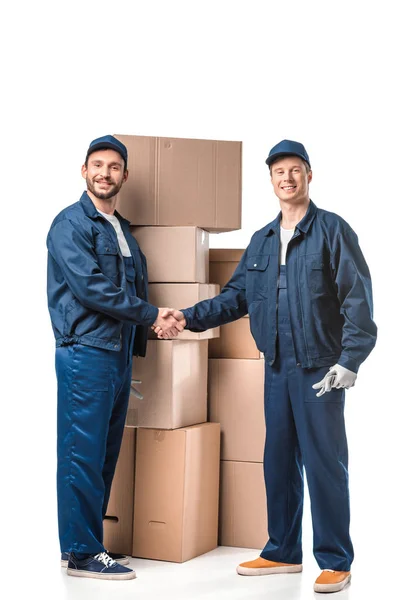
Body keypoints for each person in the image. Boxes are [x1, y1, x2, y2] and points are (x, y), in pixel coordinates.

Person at [156, 140, 377, 594]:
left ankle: (335, 559)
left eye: (295, 170)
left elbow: (358, 300)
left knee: (324, 465)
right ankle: (282, 551)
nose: (287, 178)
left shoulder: (333, 231)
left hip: (319, 369)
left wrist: (350, 360)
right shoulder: (261, 240)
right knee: (277, 462)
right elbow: (237, 298)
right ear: (271, 181)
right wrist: (187, 317)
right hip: (275, 366)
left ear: (309, 176)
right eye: (279, 172)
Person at [46, 135, 183, 580]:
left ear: (125, 175)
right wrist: (151, 315)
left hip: (119, 353)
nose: (105, 173)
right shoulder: (70, 224)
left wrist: (151, 325)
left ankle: (85, 545)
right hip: (86, 351)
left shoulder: (121, 229)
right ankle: (83, 553)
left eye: (114, 167)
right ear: (84, 172)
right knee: (81, 453)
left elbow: (134, 288)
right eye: (97, 165)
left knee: (104, 453)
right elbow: (91, 288)